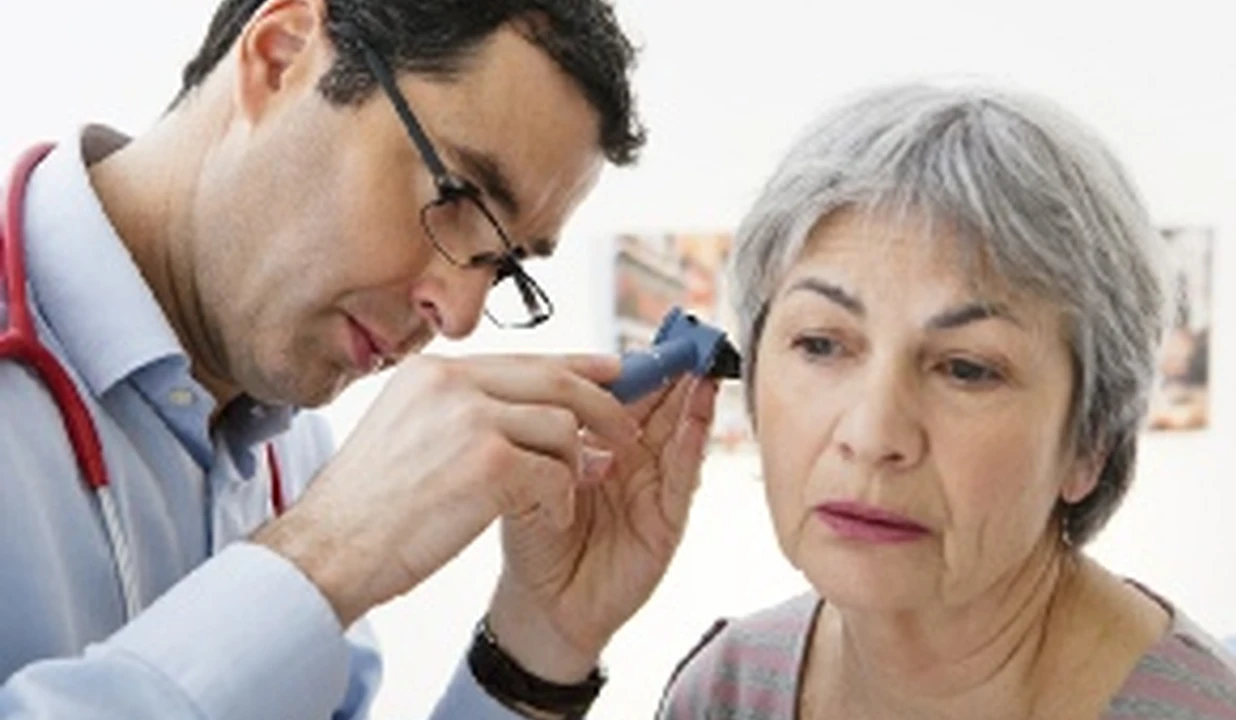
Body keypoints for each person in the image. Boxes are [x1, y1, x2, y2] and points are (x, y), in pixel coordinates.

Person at [0, 1, 718, 718]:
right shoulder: (324, 515)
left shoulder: (293, 450)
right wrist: (322, 555)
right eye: (455, 195)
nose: (461, 316)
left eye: (504, 268)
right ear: (281, 55)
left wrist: (535, 648)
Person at [657, 84, 1236, 719]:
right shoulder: (728, 692)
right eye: (820, 344)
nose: (873, 435)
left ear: (1090, 441)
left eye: (966, 369)